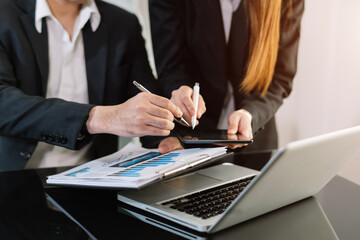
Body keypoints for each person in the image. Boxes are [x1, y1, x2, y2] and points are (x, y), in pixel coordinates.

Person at [0, 0, 184, 171]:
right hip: (13, 177)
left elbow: (145, 99)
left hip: (94, 178)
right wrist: (95, 118)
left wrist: (166, 139)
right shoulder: (5, 14)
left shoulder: (123, 24)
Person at [149, 0, 305, 151]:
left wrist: (250, 113)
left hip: (256, 143)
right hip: (189, 141)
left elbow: (281, 78)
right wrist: (180, 90)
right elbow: (171, 66)